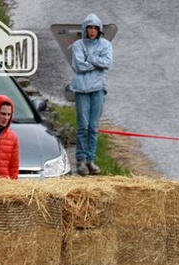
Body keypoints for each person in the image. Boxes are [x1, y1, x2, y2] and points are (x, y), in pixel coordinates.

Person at [70, 13, 113, 176]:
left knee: (94, 126)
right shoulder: (78, 45)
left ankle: (90, 159)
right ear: (85, 29)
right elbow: (78, 66)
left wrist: (91, 58)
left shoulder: (106, 45)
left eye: (95, 28)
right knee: (83, 125)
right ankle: (80, 159)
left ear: (99, 30)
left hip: (98, 89)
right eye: (90, 28)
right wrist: (96, 63)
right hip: (81, 89)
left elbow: (107, 63)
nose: (93, 31)